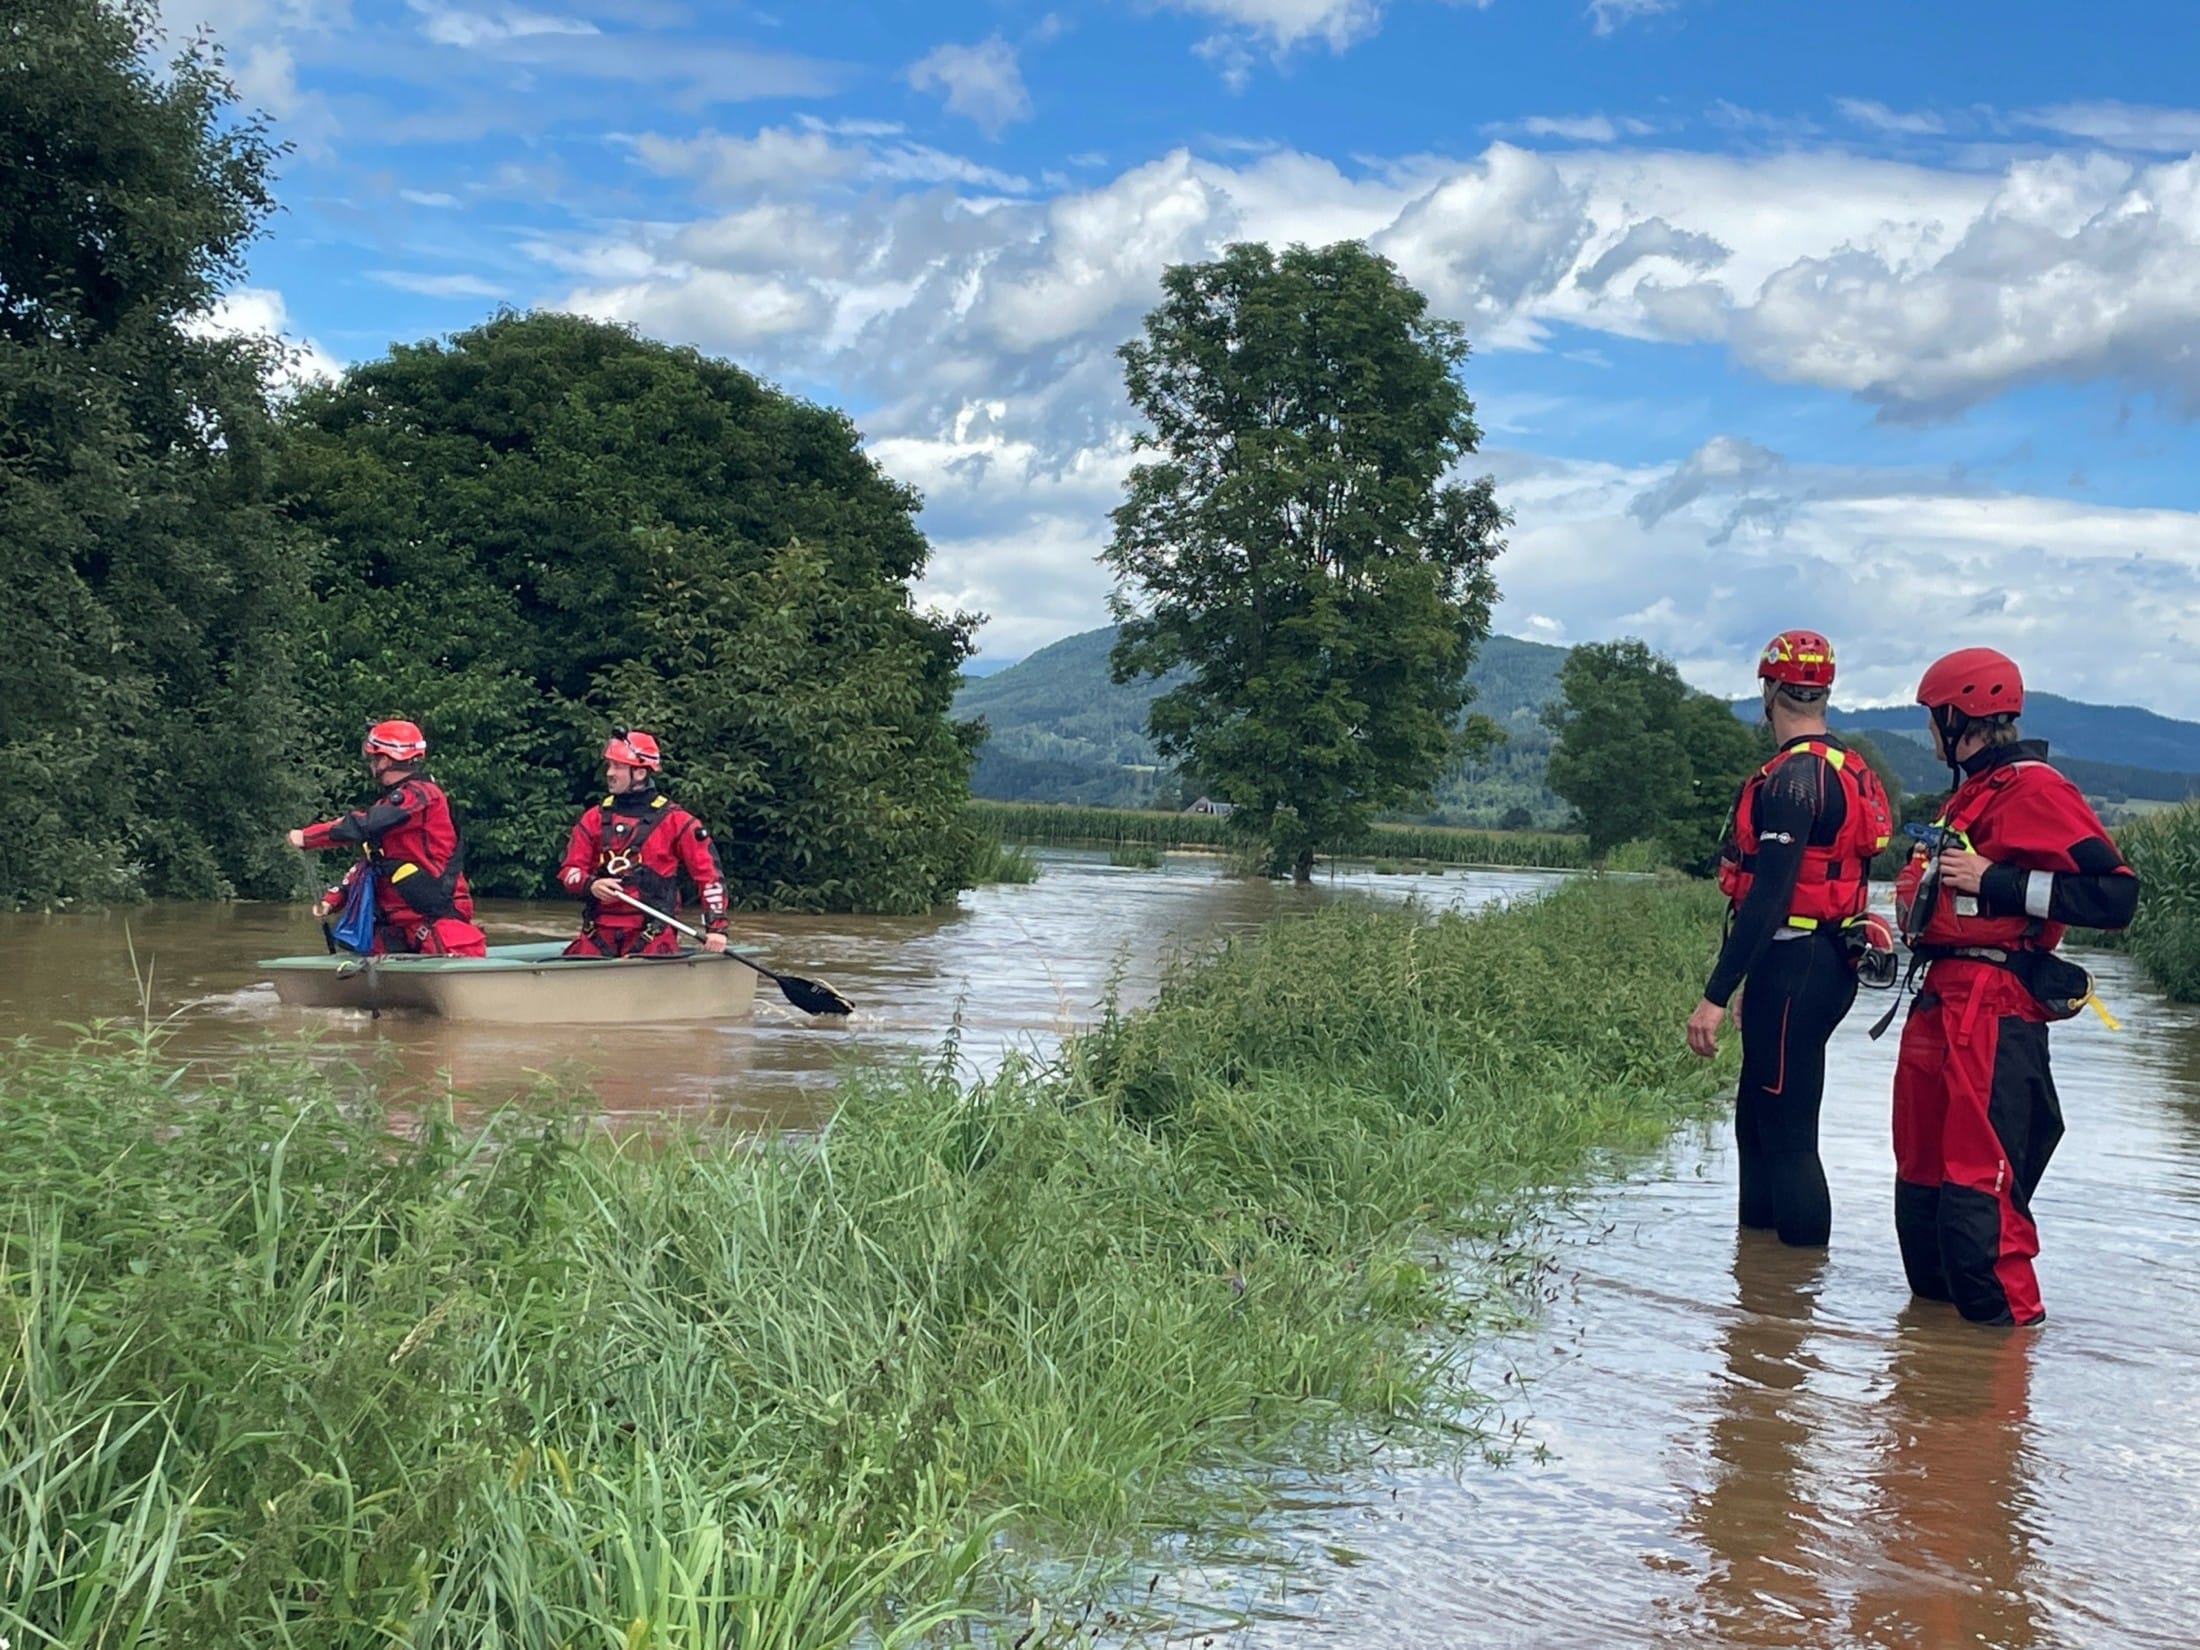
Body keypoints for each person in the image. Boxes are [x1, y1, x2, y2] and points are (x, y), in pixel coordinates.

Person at [1890, 647, 2136, 1326]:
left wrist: (1996, 881)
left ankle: (2002, 1408)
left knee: (1978, 1204)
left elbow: (2116, 898)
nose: (1927, 735)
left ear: (1955, 716)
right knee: (1922, 1197)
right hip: (1942, 997)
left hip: (1991, 1011)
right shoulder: (1971, 792)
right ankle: (1932, 1386)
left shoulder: (2035, 790)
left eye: (1930, 721)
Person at [1688, 629, 1894, 1247]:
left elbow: (1769, 898)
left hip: (1800, 961)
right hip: (1812, 958)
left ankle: (1797, 1305)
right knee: (1757, 1118)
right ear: (1823, 693)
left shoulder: (1794, 779)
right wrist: (1755, 981)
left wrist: (1716, 994)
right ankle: (1758, 1295)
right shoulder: (1840, 768)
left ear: (1770, 692)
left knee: (1787, 1129)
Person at [288, 719, 488, 956]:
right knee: (364, 945)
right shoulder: (392, 806)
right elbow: (372, 863)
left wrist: (309, 837)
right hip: (398, 924)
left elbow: (364, 824)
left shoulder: (422, 796)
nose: (371, 765)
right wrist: (334, 898)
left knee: (447, 941)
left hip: (435, 918)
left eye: (374, 758)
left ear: (385, 759)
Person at [558, 727, 730, 957]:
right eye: (609, 765)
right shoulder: (593, 818)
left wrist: (716, 928)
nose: (609, 773)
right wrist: (591, 885)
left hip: (652, 935)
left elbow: (709, 878)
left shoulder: (677, 822)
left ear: (639, 773)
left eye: (618, 766)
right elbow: (570, 871)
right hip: (597, 934)